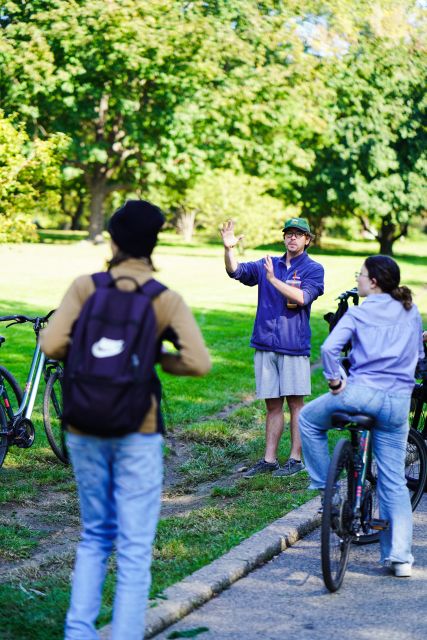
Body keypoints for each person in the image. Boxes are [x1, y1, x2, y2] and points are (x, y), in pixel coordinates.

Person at [40, 200, 211, 640]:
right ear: (154, 243)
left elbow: (52, 345)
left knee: (95, 534)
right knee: (134, 547)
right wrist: (152, 359)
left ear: (114, 240)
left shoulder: (85, 287)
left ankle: (78, 633)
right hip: (140, 428)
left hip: (83, 427)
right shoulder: (164, 298)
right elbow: (198, 362)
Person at [299, 255, 424, 578]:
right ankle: (400, 559)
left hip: (361, 395)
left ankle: (328, 490)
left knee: (309, 420)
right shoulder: (411, 311)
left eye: (361, 275)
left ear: (374, 282)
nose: (358, 279)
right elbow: (419, 357)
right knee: (393, 480)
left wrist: (335, 379)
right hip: (398, 403)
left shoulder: (358, 312)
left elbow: (329, 350)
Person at [220, 217, 324, 477]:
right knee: (273, 406)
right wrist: (229, 249)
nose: (292, 238)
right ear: (284, 237)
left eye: (299, 234)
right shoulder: (269, 264)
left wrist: (273, 280)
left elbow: (302, 297)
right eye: (289, 233)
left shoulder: (313, 268)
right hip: (265, 344)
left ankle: (295, 459)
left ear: (307, 240)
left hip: (293, 346)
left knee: (296, 404)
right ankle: (269, 460)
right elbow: (236, 272)